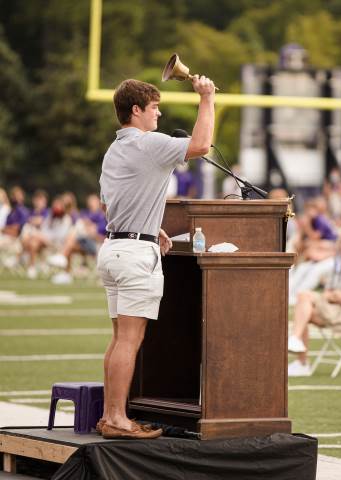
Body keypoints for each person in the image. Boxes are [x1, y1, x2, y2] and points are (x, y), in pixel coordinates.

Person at [96, 75, 215, 439]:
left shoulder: (114, 150)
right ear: (136, 111)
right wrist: (207, 98)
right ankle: (117, 419)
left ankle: (109, 415)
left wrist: (151, 226)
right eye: (153, 107)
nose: (159, 114)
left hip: (114, 246)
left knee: (119, 339)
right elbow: (202, 145)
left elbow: (110, 204)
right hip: (134, 254)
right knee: (130, 341)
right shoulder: (149, 143)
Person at [287, 225, 341, 376]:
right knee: (303, 310)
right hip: (335, 307)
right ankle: (301, 360)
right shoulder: (339, 261)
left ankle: (298, 348)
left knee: (303, 298)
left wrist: (339, 296)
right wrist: (334, 295)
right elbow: (329, 290)